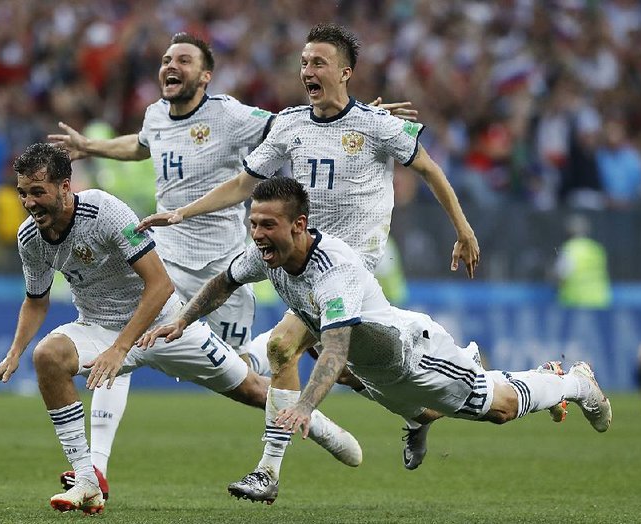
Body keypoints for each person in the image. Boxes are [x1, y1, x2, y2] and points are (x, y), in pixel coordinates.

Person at [47, 31, 420, 492]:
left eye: (183, 59)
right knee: (126, 344)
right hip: (167, 259)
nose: (170, 65)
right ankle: (95, 469)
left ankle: (345, 415)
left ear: (205, 75)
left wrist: (363, 118)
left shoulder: (231, 114)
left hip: (222, 269)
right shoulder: (155, 115)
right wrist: (93, 147)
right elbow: (144, 145)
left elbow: (299, 124)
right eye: (166, 58)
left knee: (253, 376)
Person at [137, 23, 481, 474]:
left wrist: (463, 228)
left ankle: (267, 470)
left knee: (283, 346)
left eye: (318, 62)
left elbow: (431, 170)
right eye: (303, 62)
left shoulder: (376, 125)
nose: (307, 70)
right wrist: (183, 213)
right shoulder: (290, 124)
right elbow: (245, 183)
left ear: (345, 72)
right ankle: (419, 414)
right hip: (304, 257)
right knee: (350, 366)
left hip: (351, 262)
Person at [139, 177, 613, 504]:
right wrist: (182, 320)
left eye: (268, 225)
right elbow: (225, 280)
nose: (258, 235)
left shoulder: (336, 274)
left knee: (500, 409)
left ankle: (572, 382)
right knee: (347, 371)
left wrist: (304, 406)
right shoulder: (267, 254)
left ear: (299, 226)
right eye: (254, 224)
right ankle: (418, 420)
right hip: (374, 368)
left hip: (415, 354)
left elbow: (336, 348)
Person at [0, 143, 362, 514]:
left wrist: (121, 348)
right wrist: (14, 354)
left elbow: (160, 285)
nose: (29, 203)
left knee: (249, 388)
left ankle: (319, 424)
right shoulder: (30, 237)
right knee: (49, 356)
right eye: (23, 193)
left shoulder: (105, 211)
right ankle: (87, 481)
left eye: (37, 192)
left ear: (65, 186)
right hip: (98, 328)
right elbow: (36, 300)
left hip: (164, 325)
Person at [554, 214, 612, 309]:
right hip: (600, 301)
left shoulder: (569, 248)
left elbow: (561, 276)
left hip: (576, 302)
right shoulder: (597, 248)